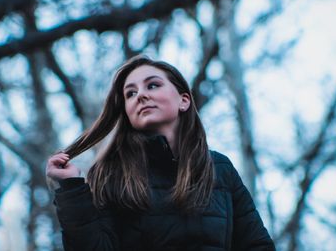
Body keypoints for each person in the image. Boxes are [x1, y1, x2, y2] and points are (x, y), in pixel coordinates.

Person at [46, 55, 275, 251]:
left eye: (152, 85)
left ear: (183, 100)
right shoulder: (110, 173)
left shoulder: (219, 168)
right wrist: (71, 189)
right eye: (130, 93)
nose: (141, 95)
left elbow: (257, 245)